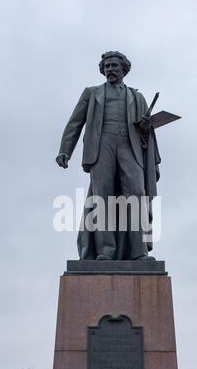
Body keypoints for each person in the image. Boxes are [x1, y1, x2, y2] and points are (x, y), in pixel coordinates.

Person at [56, 51, 161, 260]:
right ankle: (105, 251)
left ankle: (138, 251)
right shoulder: (92, 93)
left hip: (129, 146)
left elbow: (145, 132)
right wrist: (65, 150)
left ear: (124, 69)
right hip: (102, 144)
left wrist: (146, 127)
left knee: (137, 195)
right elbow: (75, 123)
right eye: (107, 67)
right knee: (102, 196)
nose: (110, 70)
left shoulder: (137, 97)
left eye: (114, 66)